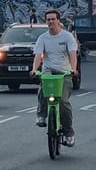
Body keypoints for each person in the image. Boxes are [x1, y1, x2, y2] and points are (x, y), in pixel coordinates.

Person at [30, 8, 79, 147]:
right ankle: (41, 114)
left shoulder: (67, 37)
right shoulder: (43, 38)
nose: (51, 21)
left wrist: (73, 69)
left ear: (58, 20)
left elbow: (72, 54)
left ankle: (69, 133)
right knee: (43, 90)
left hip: (64, 73)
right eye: (48, 19)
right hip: (48, 71)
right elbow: (38, 56)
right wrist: (35, 69)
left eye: (53, 19)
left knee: (63, 102)